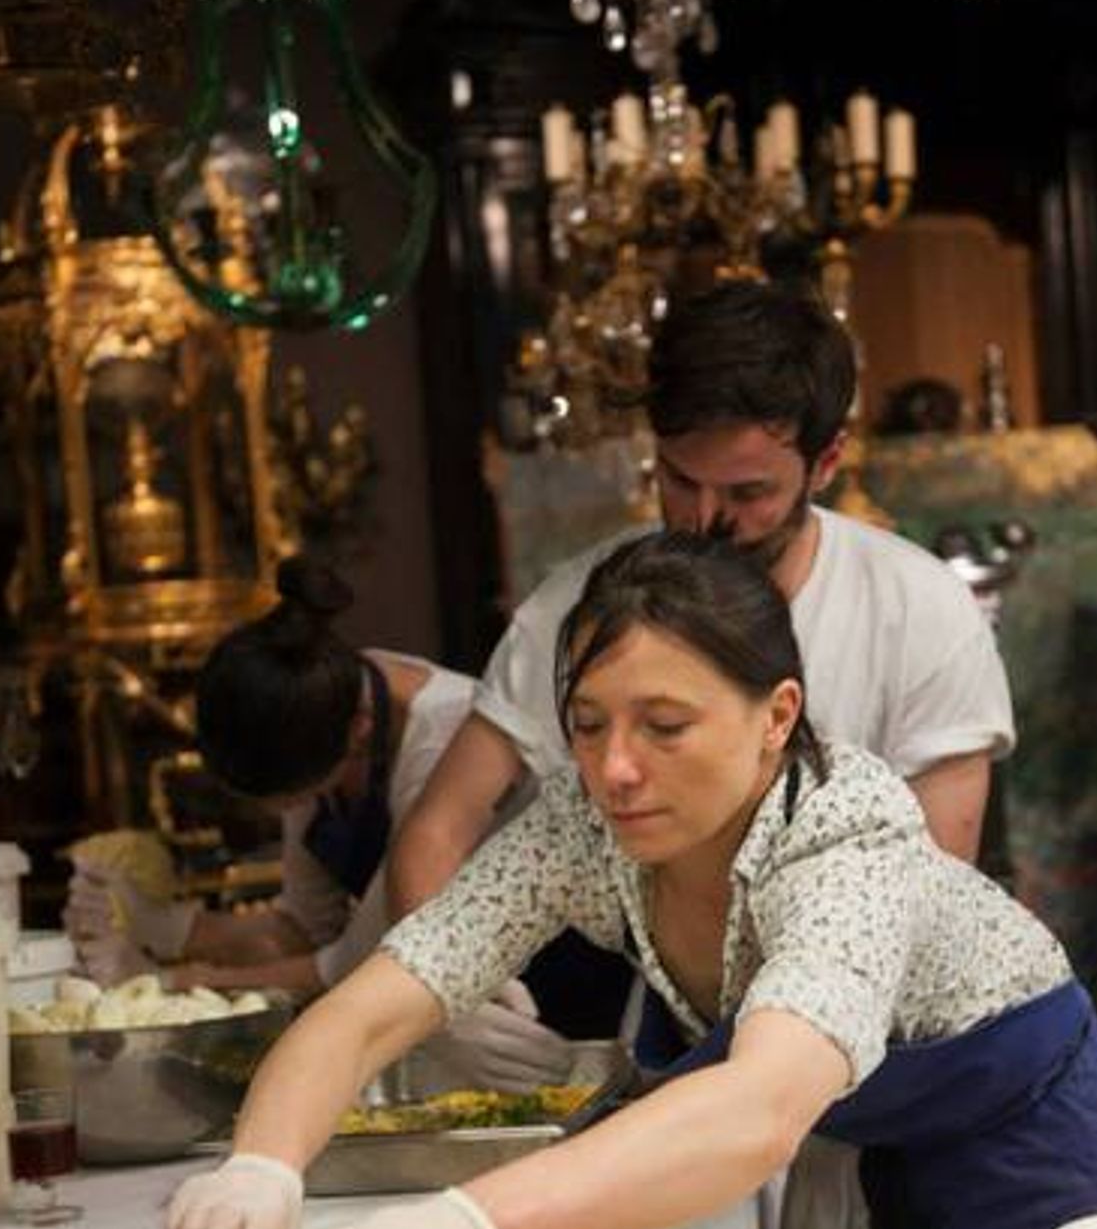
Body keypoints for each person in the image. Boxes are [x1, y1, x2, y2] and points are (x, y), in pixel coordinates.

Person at [166, 532, 1097, 1229]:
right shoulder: (583, 822)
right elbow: (375, 1003)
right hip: (878, 1148)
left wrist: (461, 1226)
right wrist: (264, 1163)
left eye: (665, 725)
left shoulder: (843, 830)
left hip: (1028, 1138)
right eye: (588, 724)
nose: (616, 768)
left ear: (776, 715)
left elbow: (760, 1106)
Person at [388, 282, 1013, 949]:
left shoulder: (921, 611)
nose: (705, 518)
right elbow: (438, 828)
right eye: (681, 480)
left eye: (749, 492)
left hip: (868, 996)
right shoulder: (580, 605)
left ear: (825, 463)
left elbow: (931, 891)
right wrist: (453, 1007)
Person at [65, 560, 571, 1086]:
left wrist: (171, 980)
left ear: (360, 730)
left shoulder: (446, 740)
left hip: (536, 997)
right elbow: (302, 928)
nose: (293, 813)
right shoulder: (306, 697)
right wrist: (165, 925)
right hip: (429, 992)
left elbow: (352, 962)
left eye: (297, 798)